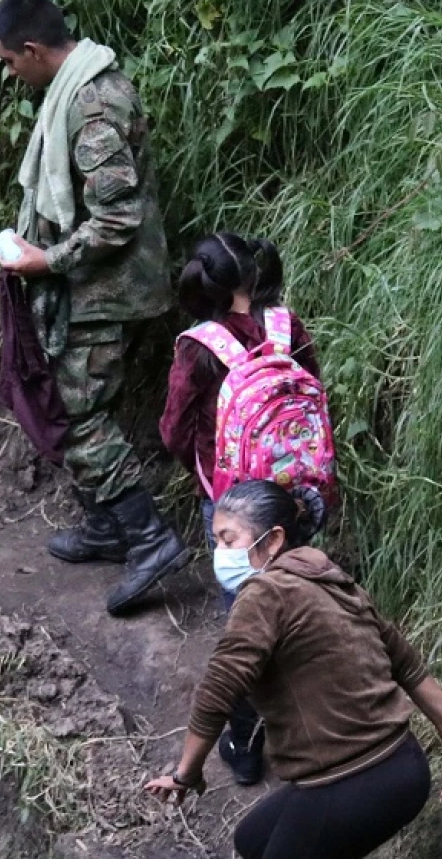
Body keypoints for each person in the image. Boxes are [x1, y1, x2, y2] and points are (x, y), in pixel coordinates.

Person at [144, 481, 442, 859]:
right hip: (405, 766)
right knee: (252, 841)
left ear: (273, 540)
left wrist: (186, 773)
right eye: (217, 542)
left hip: (351, 778)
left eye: (229, 540)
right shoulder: (337, 582)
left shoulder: (264, 593)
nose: (220, 554)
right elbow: (413, 672)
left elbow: (217, 691)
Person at [0, 0, 186, 617]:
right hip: (97, 288)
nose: (8, 73)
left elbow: (118, 219)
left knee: (79, 418)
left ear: (33, 49)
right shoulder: (77, 89)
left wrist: (46, 261)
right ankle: (106, 527)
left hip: (106, 291)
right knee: (84, 405)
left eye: (9, 61)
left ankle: (151, 540)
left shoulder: (91, 106)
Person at [158, 231, 330, 784]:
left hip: (233, 503)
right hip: (296, 496)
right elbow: (315, 391)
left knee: (245, 621)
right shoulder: (286, 325)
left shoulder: (199, 346)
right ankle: (317, 725)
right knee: (297, 599)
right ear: (255, 275)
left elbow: (173, 431)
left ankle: (246, 742)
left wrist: (206, 471)